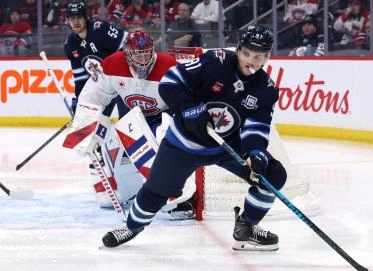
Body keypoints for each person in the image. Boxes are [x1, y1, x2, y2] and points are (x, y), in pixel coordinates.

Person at [101, 25, 288, 252]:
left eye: (258, 57)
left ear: (267, 57)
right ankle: (132, 227)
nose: (251, 61)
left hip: (226, 146)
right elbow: (171, 81)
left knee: (273, 175)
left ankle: (247, 226)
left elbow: (257, 127)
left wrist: (256, 153)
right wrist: (191, 110)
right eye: (247, 53)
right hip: (183, 144)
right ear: (238, 50)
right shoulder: (215, 61)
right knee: (157, 192)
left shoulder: (266, 89)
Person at [66, 29, 198, 211]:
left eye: (146, 53)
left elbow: (186, 98)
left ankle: (179, 194)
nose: (143, 60)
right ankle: (118, 187)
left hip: (161, 116)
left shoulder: (168, 65)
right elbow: (92, 97)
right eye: (138, 54)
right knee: (107, 147)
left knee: (165, 147)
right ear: (127, 53)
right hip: (130, 119)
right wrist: (84, 130)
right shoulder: (112, 64)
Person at [64, 0, 127, 206]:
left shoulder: (100, 30)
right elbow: (81, 79)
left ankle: (143, 182)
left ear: (85, 17)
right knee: (96, 136)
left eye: (78, 17)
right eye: (71, 18)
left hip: (124, 83)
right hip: (103, 90)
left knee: (130, 129)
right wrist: (79, 105)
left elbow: (128, 47)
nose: (75, 22)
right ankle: (107, 186)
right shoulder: (70, 45)